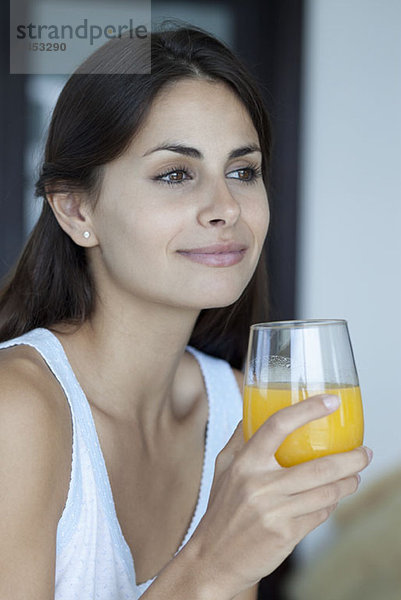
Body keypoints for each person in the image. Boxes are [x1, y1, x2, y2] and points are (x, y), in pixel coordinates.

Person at [0, 22, 372, 600]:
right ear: (76, 210)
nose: (226, 206)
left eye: (242, 171)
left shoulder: (234, 403)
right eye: (176, 174)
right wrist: (213, 562)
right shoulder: (16, 411)